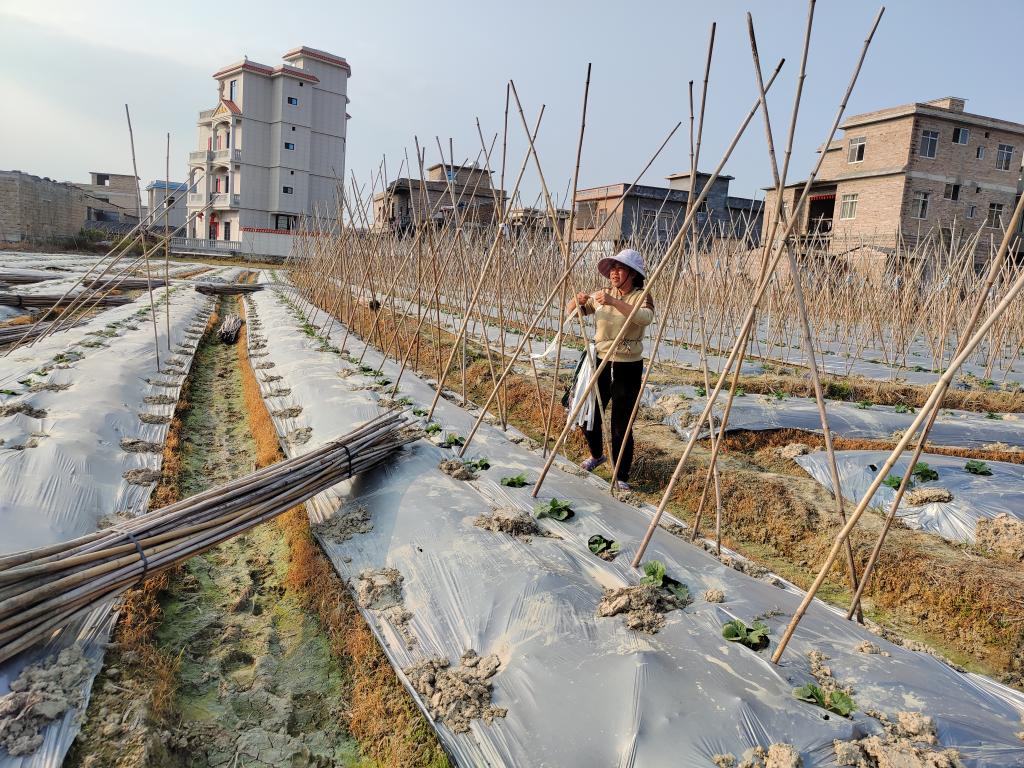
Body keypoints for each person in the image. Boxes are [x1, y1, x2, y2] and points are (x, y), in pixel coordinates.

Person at [565, 248, 654, 491]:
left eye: (620, 269)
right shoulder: (602, 294)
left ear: (633, 274)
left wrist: (615, 302)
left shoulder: (641, 295)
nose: (614, 273)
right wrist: (577, 301)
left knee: (620, 424)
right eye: (612, 269)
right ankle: (597, 456)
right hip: (600, 362)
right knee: (587, 414)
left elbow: (645, 318)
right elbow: (572, 312)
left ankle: (621, 474)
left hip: (627, 366)